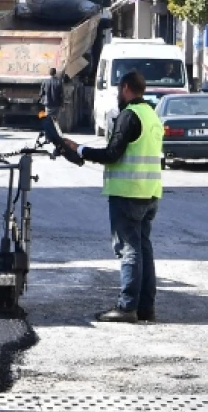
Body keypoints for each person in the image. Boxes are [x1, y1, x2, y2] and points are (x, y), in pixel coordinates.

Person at [63, 71, 163, 323]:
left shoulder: (129, 115)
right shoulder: (151, 114)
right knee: (143, 249)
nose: (119, 94)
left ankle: (127, 306)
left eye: (120, 90)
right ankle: (145, 308)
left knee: (129, 250)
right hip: (149, 193)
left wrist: (80, 149)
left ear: (126, 88)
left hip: (128, 193)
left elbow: (112, 154)